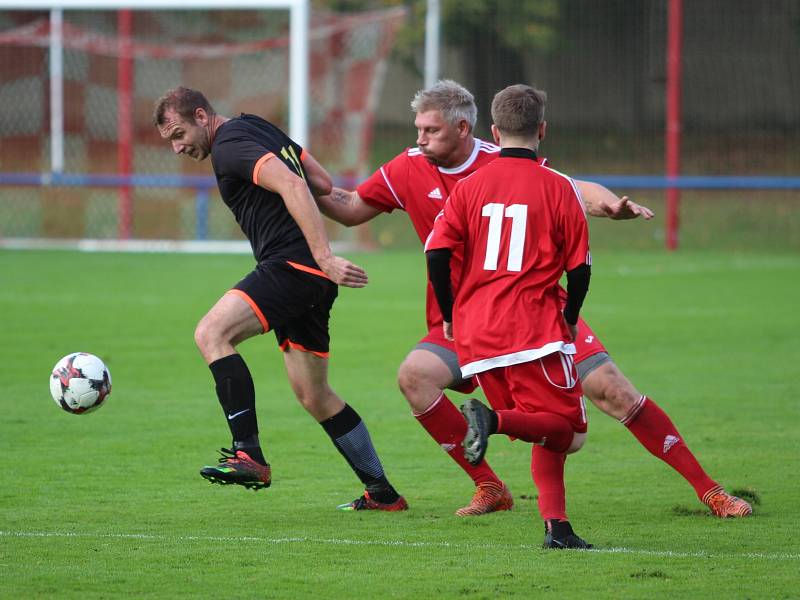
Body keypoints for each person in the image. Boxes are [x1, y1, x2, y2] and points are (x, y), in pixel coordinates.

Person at [314, 80, 751, 519]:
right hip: (467, 320)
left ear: (465, 128)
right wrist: (295, 179)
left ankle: (709, 491)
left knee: (613, 392)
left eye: (430, 130)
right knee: (415, 378)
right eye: (418, 129)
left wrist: (611, 206)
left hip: (537, 313)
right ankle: (491, 487)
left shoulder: (500, 160)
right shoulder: (406, 168)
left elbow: (573, 188)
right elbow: (350, 206)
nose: (419, 139)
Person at [152, 86, 406, 512]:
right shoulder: (254, 126)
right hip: (309, 277)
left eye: (180, 134)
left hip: (293, 267)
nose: (178, 147)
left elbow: (292, 183)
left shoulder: (229, 148)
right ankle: (382, 493)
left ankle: (247, 453)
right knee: (314, 394)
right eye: (171, 142)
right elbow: (321, 182)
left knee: (212, 333)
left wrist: (323, 256)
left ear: (201, 115)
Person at [426, 83, 593, 548]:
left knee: (542, 426)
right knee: (568, 432)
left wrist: (449, 313)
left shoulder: (469, 187)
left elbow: (437, 252)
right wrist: (572, 316)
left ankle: (557, 529)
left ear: (495, 132)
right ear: (542, 129)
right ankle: (491, 421)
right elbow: (579, 269)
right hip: (533, 328)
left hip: (477, 333)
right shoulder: (559, 187)